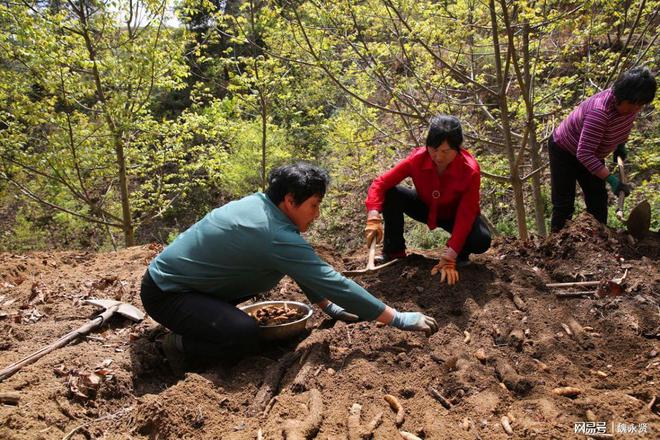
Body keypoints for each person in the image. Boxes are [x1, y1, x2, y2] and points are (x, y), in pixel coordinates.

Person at [140, 162, 438, 373]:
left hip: (190, 286)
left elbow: (300, 267)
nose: (317, 214)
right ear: (289, 199)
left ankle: (196, 324)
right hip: (166, 293)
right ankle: (176, 343)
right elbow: (331, 280)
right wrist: (397, 318)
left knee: (239, 323)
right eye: (314, 205)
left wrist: (327, 307)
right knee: (243, 335)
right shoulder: (272, 233)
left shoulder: (265, 209)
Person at [364, 115, 491, 286]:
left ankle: (459, 255)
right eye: (433, 149)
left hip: (454, 215)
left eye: (445, 151)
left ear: (458, 148)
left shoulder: (470, 171)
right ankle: (393, 251)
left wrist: (450, 254)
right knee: (391, 193)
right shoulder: (417, 158)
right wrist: (373, 215)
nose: (438, 157)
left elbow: (466, 215)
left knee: (481, 239)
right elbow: (381, 183)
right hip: (425, 206)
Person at [549, 66, 656, 232]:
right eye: (633, 104)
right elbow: (584, 154)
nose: (636, 110)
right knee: (564, 204)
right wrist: (612, 180)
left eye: (640, 105)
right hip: (564, 150)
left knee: (598, 199)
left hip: (592, 150)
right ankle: (555, 250)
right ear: (621, 96)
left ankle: (599, 242)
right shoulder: (599, 113)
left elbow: (622, 126)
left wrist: (620, 145)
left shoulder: (630, 106)